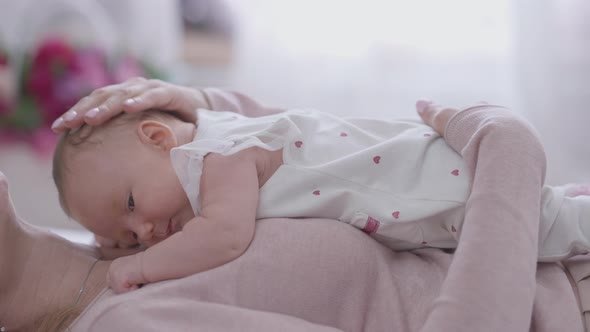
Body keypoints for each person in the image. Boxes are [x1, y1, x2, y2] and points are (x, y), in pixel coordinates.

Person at [0, 78, 587, 331]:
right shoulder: (131, 309)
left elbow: (291, 152)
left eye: (132, 208)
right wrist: (507, 148)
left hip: (548, 241)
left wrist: (199, 105)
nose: (145, 231)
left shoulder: (107, 250)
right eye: (130, 234)